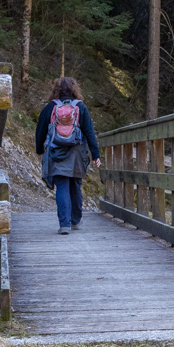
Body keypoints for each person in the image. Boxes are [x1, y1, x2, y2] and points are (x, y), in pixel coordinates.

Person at [36, 77, 101, 234]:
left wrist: (40, 150)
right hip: (77, 152)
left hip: (56, 151)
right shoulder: (81, 107)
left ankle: (64, 224)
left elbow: (40, 130)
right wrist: (95, 154)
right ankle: (76, 221)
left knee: (62, 186)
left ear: (56, 90)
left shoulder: (50, 107)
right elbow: (89, 132)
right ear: (74, 89)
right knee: (75, 185)